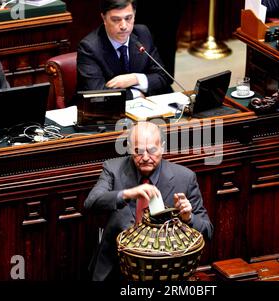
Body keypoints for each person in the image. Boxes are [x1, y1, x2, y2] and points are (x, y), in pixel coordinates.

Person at [84, 121, 213, 281]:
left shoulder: (185, 178)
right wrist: (128, 193)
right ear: (130, 148)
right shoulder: (113, 169)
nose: (145, 158)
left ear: (162, 148)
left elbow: (207, 231)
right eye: (138, 151)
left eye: (152, 150)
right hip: (116, 269)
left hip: (165, 272)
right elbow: (91, 203)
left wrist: (188, 218)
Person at [77, 0, 173, 101]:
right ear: (104, 18)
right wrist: (134, 94)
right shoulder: (89, 47)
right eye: (116, 20)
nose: (123, 26)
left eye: (128, 18)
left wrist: (135, 79)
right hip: (107, 113)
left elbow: (163, 76)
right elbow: (97, 95)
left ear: (134, 16)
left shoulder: (142, 34)